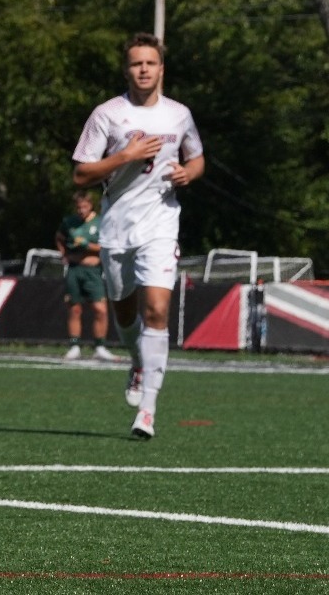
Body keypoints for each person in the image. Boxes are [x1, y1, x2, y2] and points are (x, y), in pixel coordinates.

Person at [71, 33, 205, 440]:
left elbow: (196, 156)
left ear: (161, 68)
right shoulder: (107, 115)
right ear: (126, 69)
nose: (143, 69)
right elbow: (80, 174)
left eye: (150, 63)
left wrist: (189, 173)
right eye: (136, 64)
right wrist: (125, 156)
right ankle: (137, 360)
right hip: (116, 228)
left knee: (158, 311)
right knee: (125, 312)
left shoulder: (178, 115)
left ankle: (147, 409)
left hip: (161, 224)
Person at [56, 191, 114, 361]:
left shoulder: (101, 222)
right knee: (74, 308)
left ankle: (100, 346)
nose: (81, 210)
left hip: (93, 271)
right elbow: (59, 237)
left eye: (85, 206)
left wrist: (87, 245)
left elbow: (107, 246)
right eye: (78, 207)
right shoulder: (69, 222)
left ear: (91, 205)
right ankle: (74, 346)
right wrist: (64, 254)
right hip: (75, 269)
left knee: (100, 309)